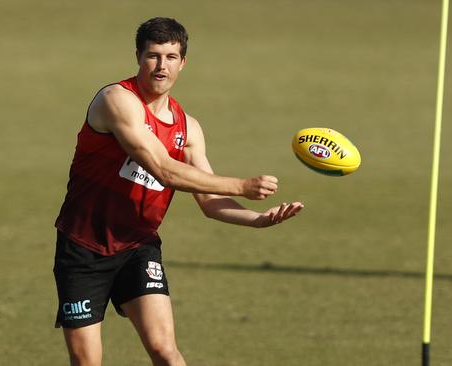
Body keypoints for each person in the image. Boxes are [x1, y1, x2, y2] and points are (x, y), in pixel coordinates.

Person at [53, 17, 304, 366]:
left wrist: (257, 220)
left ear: (183, 63)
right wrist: (244, 186)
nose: (161, 66)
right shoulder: (117, 101)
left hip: (138, 247)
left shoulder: (189, 128)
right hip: (83, 249)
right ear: (138, 56)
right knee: (87, 362)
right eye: (153, 56)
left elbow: (210, 203)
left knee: (165, 351)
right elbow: (163, 169)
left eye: (171, 57)